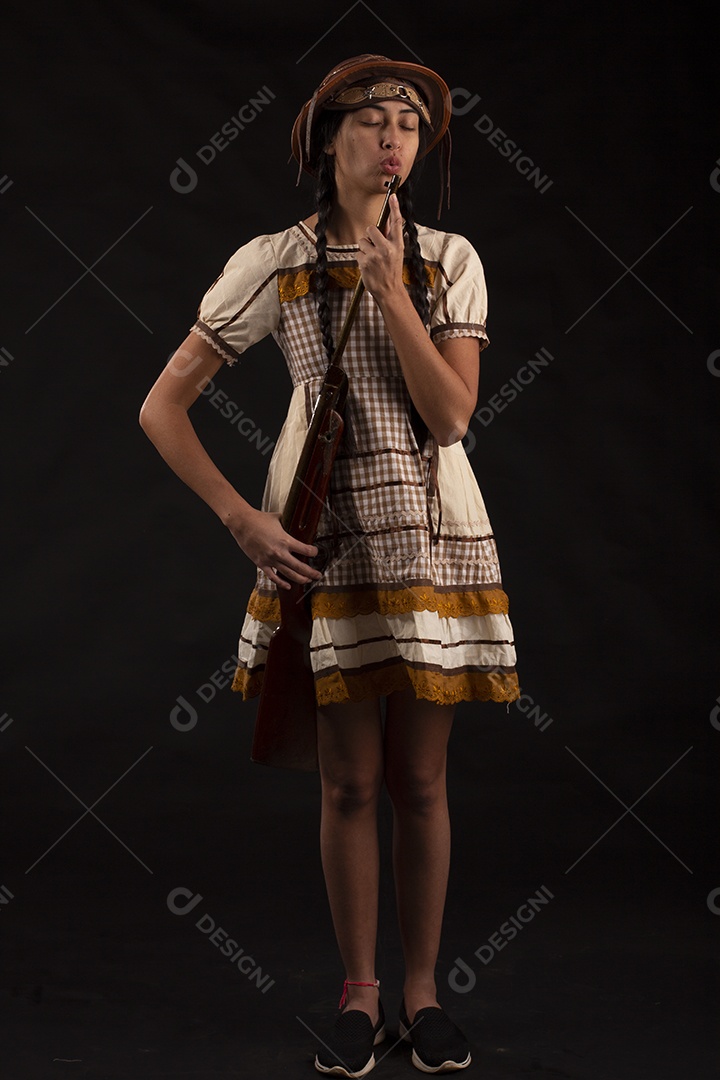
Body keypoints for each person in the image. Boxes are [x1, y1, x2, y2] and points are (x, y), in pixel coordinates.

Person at [140, 54, 519, 1077]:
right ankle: (359, 996)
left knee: (422, 780)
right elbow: (159, 407)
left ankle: (424, 992)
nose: (394, 137)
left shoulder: (449, 258)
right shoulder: (274, 259)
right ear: (326, 140)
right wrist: (239, 521)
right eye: (372, 119)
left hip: (433, 534)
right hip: (328, 537)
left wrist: (393, 288)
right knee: (349, 781)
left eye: (409, 124)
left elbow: (450, 416)